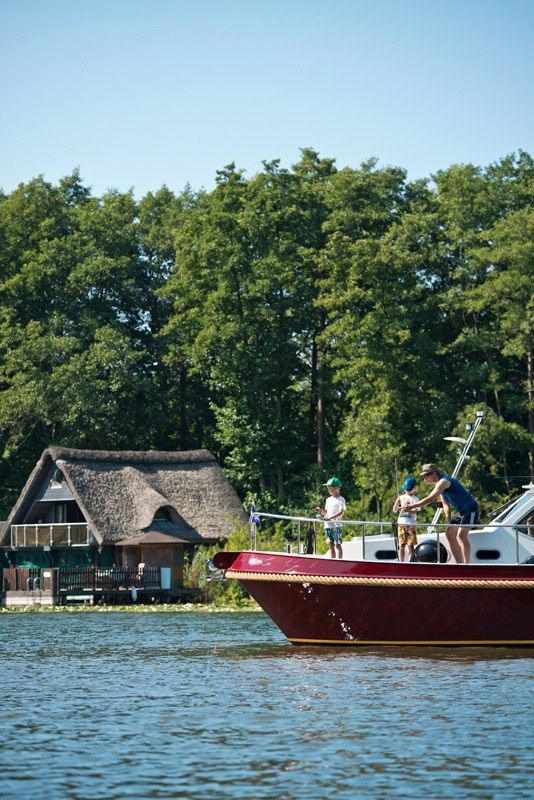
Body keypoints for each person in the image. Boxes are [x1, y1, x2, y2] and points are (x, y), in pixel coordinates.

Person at [410, 463, 479, 564]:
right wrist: (449, 523)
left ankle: (466, 565)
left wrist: (412, 506)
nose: (425, 479)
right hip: (462, 512)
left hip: (470, 509)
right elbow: (445, 505)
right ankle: (459, 564)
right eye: (424, 477)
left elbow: (430, 498)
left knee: (461, 535)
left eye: (427, 476)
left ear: (434, 473)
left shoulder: (443, 482)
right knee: (449, 534)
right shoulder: (439, 486)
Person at [316, 477, 346, 559]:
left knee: (337, 544)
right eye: (328, 487)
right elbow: (326, 513)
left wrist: (330, 518)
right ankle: (332, 561)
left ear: (336, 488)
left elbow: (340, 511)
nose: (328, 489)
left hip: (337, 526)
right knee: (331, 545)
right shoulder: (328, 499)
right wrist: (320, 511)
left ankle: (339, 562)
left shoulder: (341, 499)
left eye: (330, 487)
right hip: (328, 526)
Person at [392, 477, 419, 562]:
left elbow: (416, 511)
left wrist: (407, 509)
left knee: (410, 546)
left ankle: (411, 563)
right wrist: (397, 503)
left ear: (414, 488)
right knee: (401, 545)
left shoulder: (415, 499)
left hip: (411, 525)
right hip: (401, 524)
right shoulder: (401, 497)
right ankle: (401, 562)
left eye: (409, 489)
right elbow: (394, 510)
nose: (407, 491)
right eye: (406, 489)